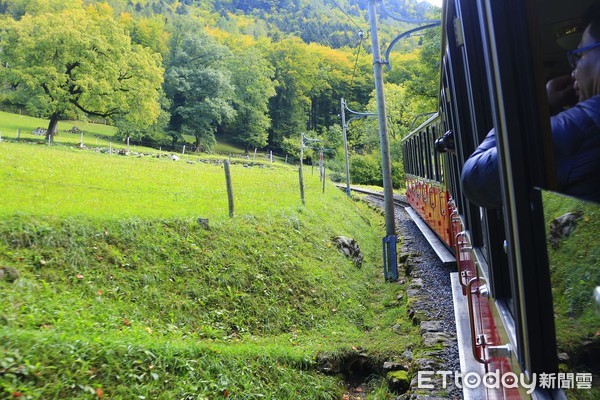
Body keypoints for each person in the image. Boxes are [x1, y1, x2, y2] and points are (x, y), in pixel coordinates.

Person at [461, 4, 600, 208]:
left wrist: (538, 106)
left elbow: (474, 179)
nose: (573, 72)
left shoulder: (577, 128)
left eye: (579, 56)